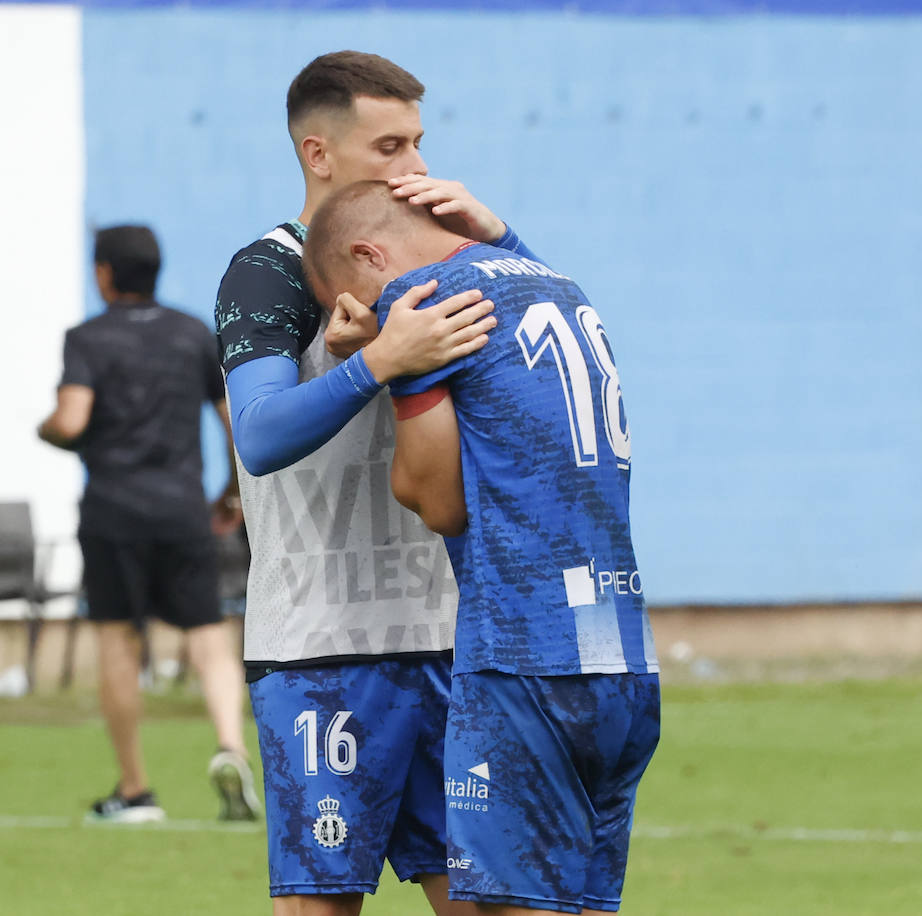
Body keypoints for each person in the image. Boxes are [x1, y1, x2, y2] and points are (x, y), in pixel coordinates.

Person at [215, 51, 542, 916]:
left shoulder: (438, 257)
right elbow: (260, 435)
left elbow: (557, 339)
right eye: (390, 146)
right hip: (320, 650)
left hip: (449, 642)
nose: (417, 169)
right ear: (319, 155)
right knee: (319, 907)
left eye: (420, 143)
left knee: (486, 904)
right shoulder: (268, 271)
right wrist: (376, 366)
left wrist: (505, 244)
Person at [303, 180, 662, 915]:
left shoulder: (422, 298)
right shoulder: (557, 283)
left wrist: (390, 358)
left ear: (371, 257)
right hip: (623, 655)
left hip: (523, 658)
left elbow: (438, 501)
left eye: (352, 299)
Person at [39, 225, 259, 823]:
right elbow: (235, 424)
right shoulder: (193, 334)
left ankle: (135, 791)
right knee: (208, 632)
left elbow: (71, 417)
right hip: (182, 507)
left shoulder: (86, 338)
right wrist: (232, 495)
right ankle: (231, 747)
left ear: (105, 272)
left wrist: (47, 430)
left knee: (118, 638)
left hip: (113, 509)